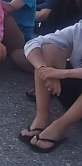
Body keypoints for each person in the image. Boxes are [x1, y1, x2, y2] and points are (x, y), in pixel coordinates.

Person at [18, 21, 82, 152]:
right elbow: (34, 43)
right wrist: (44, 69)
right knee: (48, 48)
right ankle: (42, 117)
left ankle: (59, 127)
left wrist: (62, 73)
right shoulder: (79, 29)